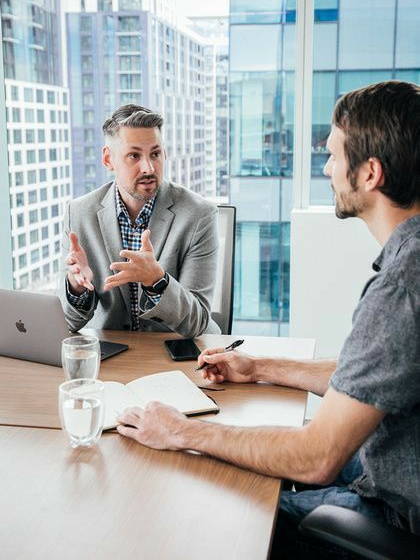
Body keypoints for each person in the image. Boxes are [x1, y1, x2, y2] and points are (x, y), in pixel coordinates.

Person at [116, 81, 420, 551]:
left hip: (394, 513)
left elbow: (316, 457)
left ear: (370, 174)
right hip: (386, 466)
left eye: (334, 156)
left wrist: (183, 429)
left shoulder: (401, 287)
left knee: (208, 510)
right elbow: (367, 376)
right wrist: (258, 367)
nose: (326, 168)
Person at [59, 104, 220, 337]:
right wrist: (76, 286)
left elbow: (198, 322)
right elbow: (66, 323)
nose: (148, 167)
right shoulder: (79, 213)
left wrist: (157, 280)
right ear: (108, 159)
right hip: (114, 356)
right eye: (134, 156)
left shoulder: (199, 215)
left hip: (181, 353)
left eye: (155, 154)